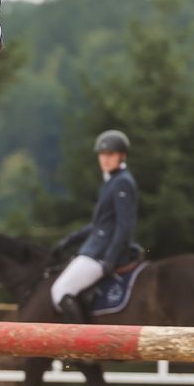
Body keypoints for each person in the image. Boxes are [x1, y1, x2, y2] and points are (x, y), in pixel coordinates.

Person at [49, 129, 138, 324]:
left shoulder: (122, 182)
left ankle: (80, 348)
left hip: (101, 254)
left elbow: (124, 226)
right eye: (102, 155)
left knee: (60, 290)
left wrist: (110, 259)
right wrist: (69, 241)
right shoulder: (111, 181)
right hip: (94, 249)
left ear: (122, 156)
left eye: (110, 155)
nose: (105, 159)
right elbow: (99, 224)